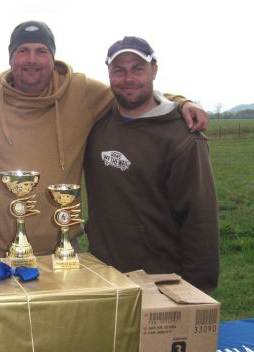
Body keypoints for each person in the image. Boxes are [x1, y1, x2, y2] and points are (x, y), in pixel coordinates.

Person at [0, 20, 209, 258]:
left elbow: (131, 91)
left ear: (53, 57)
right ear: (11, 58)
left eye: (41, 51)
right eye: (23, 50)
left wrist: (180, 101)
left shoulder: (82, 92)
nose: (32, 59)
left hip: (64, 251)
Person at [84, 37, 219, 293]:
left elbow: (200, 220)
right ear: (108, 74)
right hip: (102, 273)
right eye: (119, 70)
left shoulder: (183, 137)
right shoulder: (98, 121)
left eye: (138, 68)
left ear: (154, 70)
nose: (128, 78)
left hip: (160, 279)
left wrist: (197, 289)